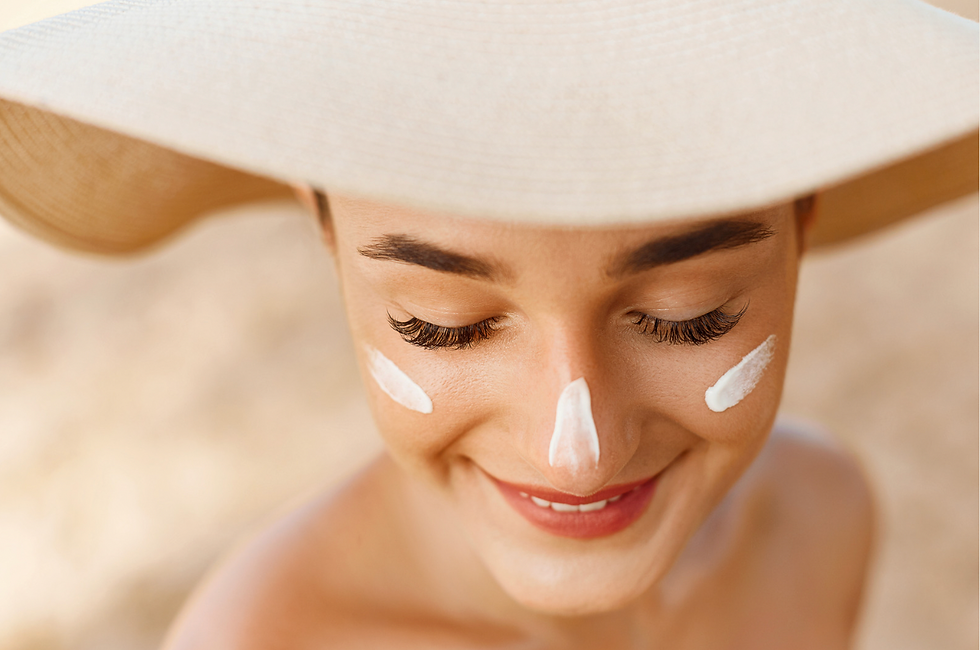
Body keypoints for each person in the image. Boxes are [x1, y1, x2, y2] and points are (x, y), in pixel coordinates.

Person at [0, 0, 975, 648]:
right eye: (444, 325)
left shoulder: (813, 516)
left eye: (688, 317)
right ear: (324, 225)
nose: (575, 446)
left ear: (801, 217)